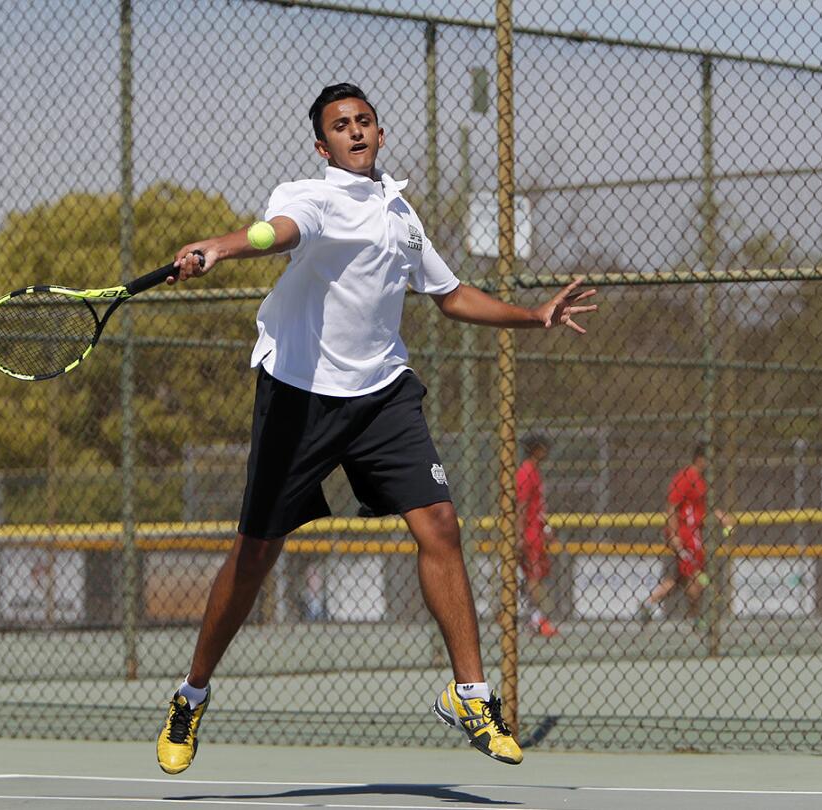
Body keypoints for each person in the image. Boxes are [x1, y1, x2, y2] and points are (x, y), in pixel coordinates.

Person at [151, 83, 597, 774]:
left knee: (441, 526)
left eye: (363, 121)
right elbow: (279, 233)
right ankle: (191, 694)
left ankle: (471, 695)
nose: (354, 132)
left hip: (382, 395)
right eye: (340, 125)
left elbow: (450, 296)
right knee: (254, 557)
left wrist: (533, 315)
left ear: (380, 134)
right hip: (300, 395)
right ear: (322, 144)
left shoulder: (401, 215)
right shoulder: (312, 195)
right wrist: (223, 246)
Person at [639, 444, 735, 624]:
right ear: (700, 458)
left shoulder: (700, 480)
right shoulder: (685, 477)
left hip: (694, 534)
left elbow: (702, 508)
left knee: (678, 579)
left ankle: (649, 604)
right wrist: (674, 535)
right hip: (686, 536)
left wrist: (720, 515)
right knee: (695, 575)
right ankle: (696, 616)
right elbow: (672, 507)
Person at [516, 434, 559, 637]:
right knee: (533, 577)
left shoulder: (534, 471)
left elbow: (537, 506)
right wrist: (518, 535)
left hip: (536, 532)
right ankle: (537, 619)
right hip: (529, 534)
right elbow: (522, 506)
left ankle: (534, 618)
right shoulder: (526, 472)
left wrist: (547, 528)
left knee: (536, 577)